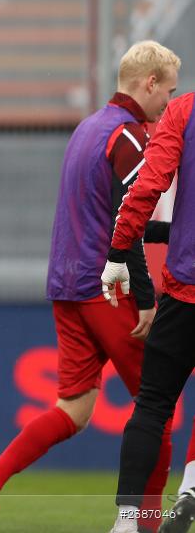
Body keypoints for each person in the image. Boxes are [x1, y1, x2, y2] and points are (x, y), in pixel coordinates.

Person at [0, 40, 179, 533]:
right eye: (169, 90)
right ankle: (145, 523)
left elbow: (106, 215)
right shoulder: (128, 136)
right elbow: (132, 220)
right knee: (156, 407)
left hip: (66, 284)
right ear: (149, 84)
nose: (170, 102)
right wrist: (145, 298)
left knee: (73, 410)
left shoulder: (88, 129)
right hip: (109, 288)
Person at [100, 66, 195, 533]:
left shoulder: (184, 110)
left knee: (154, 404)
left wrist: (119, 251)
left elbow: (148, 186)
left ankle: (128, 519)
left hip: (185, 292)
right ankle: (192, 489)